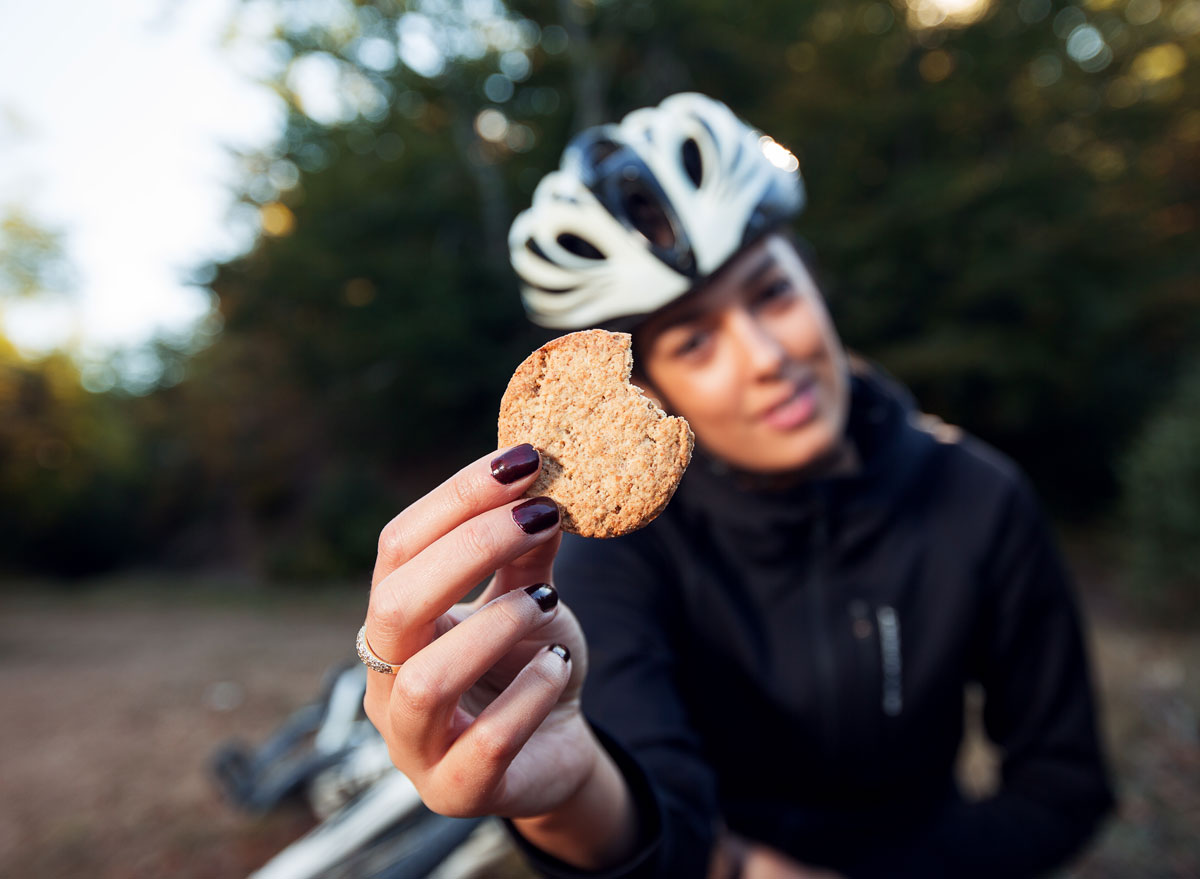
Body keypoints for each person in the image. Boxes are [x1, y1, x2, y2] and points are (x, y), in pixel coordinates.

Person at [359, 93, 1114, 878]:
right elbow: (659, 816)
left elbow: (1062, 787)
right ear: (649, 391)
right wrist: (574, 792)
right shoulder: (619, 555)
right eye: (694, 340)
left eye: (772, 293)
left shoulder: (980, 498)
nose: (761, 356)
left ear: (814, 282)